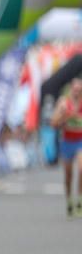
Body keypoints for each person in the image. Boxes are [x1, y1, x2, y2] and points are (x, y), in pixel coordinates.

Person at [50, 78, 82, 216]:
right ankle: (69, 200)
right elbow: (53, 123)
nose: (77, 92)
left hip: (80, 140)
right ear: (71, 90)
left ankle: (79, 200)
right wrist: (64, 116)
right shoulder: (64, 103)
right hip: (67, 141)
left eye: (79, 90)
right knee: (68, 175)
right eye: (75, 90)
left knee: (81, 168)